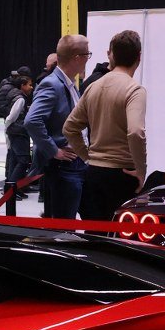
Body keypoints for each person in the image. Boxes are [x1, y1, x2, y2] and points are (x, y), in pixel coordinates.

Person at [65, 29, 148, 222]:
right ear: (139, 56)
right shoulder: (134, 90)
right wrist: (141, 170)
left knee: (94, 233)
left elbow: (70, 128)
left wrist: (87, 157)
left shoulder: (94, 86)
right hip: (122, 175)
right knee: (121, 236)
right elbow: (136, 132)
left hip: (94, 174)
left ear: (112, 55)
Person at [26, 34, 90, 220]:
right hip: (65, 167)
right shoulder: (52, 84)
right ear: (76, 58)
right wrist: (54, 150)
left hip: (75, 163)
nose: (88, 58)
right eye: (87, 54)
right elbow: (32, 121)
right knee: (63, 225)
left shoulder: (69, 83)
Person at [3, 75, 34, 197]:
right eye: (29, 85)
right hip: (18, 133)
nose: (31, 87)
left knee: (14, 160)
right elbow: (11, 117)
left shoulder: (15, 95)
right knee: (23, 161)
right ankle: (11, 189)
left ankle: (13, 189)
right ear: (22, 85)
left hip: (15, 132)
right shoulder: (20, 99)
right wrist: (7, 128)